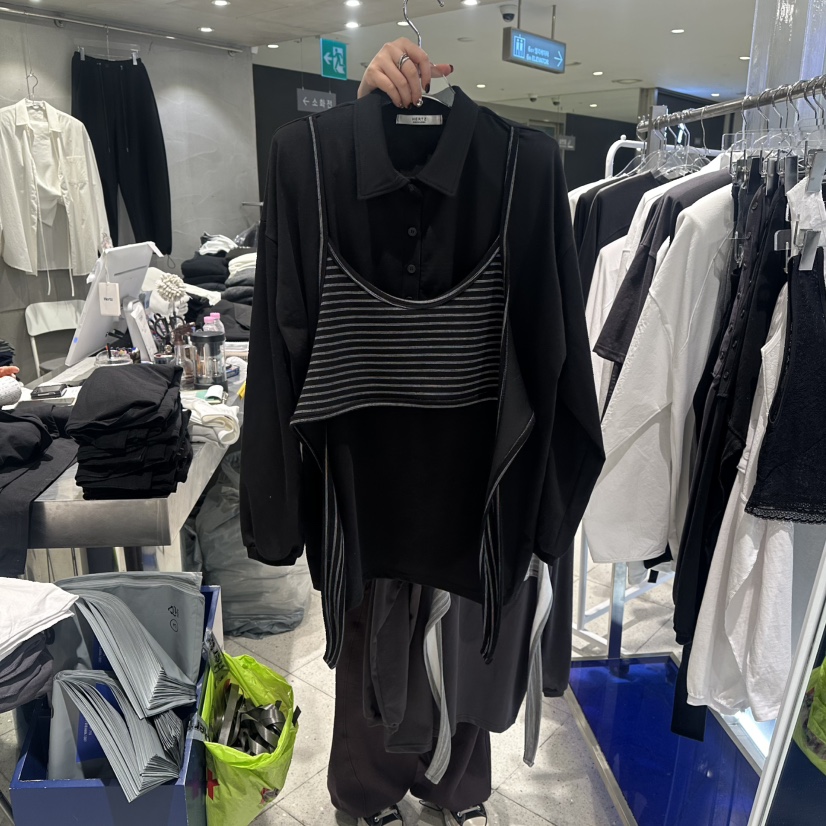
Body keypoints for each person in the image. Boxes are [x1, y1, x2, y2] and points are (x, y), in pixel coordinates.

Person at [326, 41, 494, 826]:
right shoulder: (331, 166)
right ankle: (369, 787)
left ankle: (453, 783)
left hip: (470, 436)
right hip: (372, 441)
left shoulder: (504, 168)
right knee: (375, 623)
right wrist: (365, 115)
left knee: (463, 620)